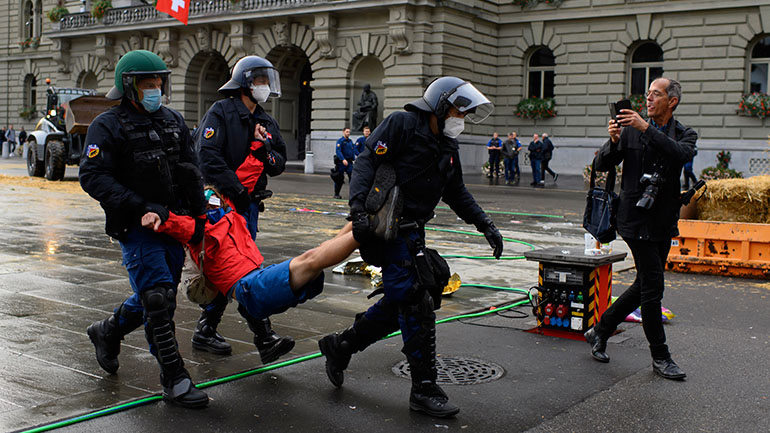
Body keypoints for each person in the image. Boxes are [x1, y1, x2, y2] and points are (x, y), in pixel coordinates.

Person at [318, 76, 504, 418]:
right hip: (386, 229)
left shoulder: (447, 148)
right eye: (457, 111)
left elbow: (457, 192)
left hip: (413, 232)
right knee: (416, 300)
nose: (460, 119)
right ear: (439, 106)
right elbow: (366, 161)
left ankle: (341, 345)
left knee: (410, 296)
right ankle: (424, 388)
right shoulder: (403, 124)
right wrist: (357, 209)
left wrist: (485, 225)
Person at [79, 50, 209, 408]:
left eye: (158, 82)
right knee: (158, 299)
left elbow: (191, 170)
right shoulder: (107, 125)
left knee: (159, 292)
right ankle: (175, 378)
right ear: (128, 86)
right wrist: (140, 206)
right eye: (146, 83)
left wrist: (199, 219)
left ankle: (107, 331)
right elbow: (92, 176)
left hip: (175, 224)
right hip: (136, 227)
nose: (155, 88)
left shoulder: (172, 120)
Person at [584, 77, 696, 380]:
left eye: (655, 95)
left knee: (644, 284)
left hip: (662, 220)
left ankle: (600, 330)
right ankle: (661, 356)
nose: (648, 100)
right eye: (647, 95)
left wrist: (645, 129)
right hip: (634, 220)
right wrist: (614, 141)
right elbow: (603, 165)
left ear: (671, 101)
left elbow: (681, 155)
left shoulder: (685, 134)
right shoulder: (631, 130)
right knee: (653, 289)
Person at [141, 182, 359, 332]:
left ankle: (362, 219)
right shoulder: (198, 230)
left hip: (256, 278)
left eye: (213, 200)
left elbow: (239, 189)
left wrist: (257, 145)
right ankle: (364, 230)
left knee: (319, 254)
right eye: (205, 202)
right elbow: (175, 223)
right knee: (313, 259)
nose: (210, 204)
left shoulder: (233, 218)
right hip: (247, 288)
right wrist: (155, 215)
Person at [195, 55, 294, 364]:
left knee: (237, 267)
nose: (265, 87)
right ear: (245, 84)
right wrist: (235, 191)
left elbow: (278, 162)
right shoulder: (221, 112)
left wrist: (264, 151)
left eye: (268, 81)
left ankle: (207, 328)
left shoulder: (265, 120)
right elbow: (207, 157)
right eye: (261, 81)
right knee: (238, 268)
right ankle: (263, 336)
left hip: (249, 205)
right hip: (222, 205)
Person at [332, 127, 355, 199]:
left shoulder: (350, 141)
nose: (348, 133)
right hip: (341, 162)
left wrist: (353, 158)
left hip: (349, 162)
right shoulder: (340, 141)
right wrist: (343, 159)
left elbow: (352, 150)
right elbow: (338, 151)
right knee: (339, 178)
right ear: (343, 132)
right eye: (347, 132)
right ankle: (336, 193)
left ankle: (352, 194)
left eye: (349, 132)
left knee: (352, 177)